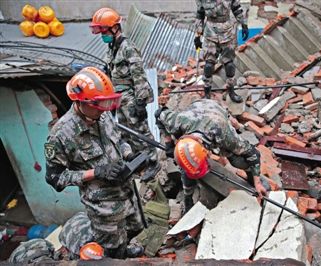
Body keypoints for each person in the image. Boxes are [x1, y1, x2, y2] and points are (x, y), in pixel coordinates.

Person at [44, 67, 144, 258]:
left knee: (133, 230)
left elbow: (119, 140)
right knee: (111, 248)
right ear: (80, 101)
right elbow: (55, 179)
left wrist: (129, 155)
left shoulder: (102, 114)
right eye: (100, 103)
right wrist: (96, 173)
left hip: (127, 192)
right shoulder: (61, 135)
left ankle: (125, 251)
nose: (105, 108)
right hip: (103, 206)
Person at [155, 99, 268, 213]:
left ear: (205, 151)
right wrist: (169, 142)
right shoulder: (176, 121)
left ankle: (251, 177)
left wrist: (257, 183)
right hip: (196, 109)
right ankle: (187, 197)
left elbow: (253, 153)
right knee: (187, 170)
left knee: (238, 160)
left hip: (215, 110)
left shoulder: (224, 135)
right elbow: (158, 113)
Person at [90, 7, 160, 182]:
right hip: (118, 98)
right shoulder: (111, 48)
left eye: (104, 31)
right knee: (127, 132)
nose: (103, 35)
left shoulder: (128, 48)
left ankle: (153, 162)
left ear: (114, 28)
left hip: (131, 96)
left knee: (141, 130)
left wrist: (141, 103)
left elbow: (139, 76)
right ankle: (140, 160)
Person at [194, 0, 249, 102]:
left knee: (229, 64)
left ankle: (231, 91)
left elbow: (236, 8)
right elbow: (200, 14)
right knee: (209, 65)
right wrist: (198, 35)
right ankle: (207, 93)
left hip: (227, 30)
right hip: (210, 31)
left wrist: (244, 24)